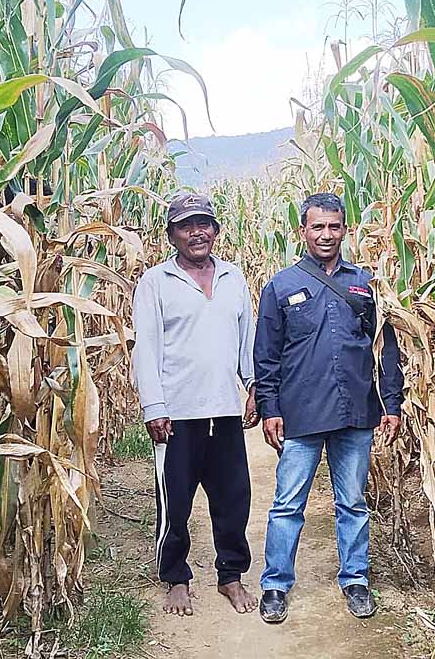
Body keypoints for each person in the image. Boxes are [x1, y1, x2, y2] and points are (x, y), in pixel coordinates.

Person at [252, 192, 403, 623]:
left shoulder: (366, 285)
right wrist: (270, 408)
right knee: (287, 504)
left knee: (353, 502)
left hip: (356, 411)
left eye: (334, 226)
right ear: (303, 231)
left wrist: (390, 403)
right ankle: (276, 585)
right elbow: (266, 355)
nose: (326, 234)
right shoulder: (281, 286)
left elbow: (385, 348)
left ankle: (356, 580)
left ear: (345, 229)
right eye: (317, 226)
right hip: (301, 414)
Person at [132, 192, 259, 617]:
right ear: (172, 235)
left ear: (216, 230)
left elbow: (247, 338)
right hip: (176, 416)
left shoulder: (233, 278)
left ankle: (231, 576)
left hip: (223, 410)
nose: (196, 232)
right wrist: (154, 406)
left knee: (233, 498)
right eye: (186, 225)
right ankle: (175, 579)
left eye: (203, 223)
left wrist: (253, 385)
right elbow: (145, 349)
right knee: (176, 502)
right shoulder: (155, 282)